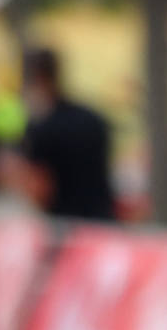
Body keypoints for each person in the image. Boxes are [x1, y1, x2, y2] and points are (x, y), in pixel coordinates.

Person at [17, 47, 117, 221]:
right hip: (102, 220)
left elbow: (40, 190)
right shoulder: (92, 118)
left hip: (64, 226)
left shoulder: (43, 128)